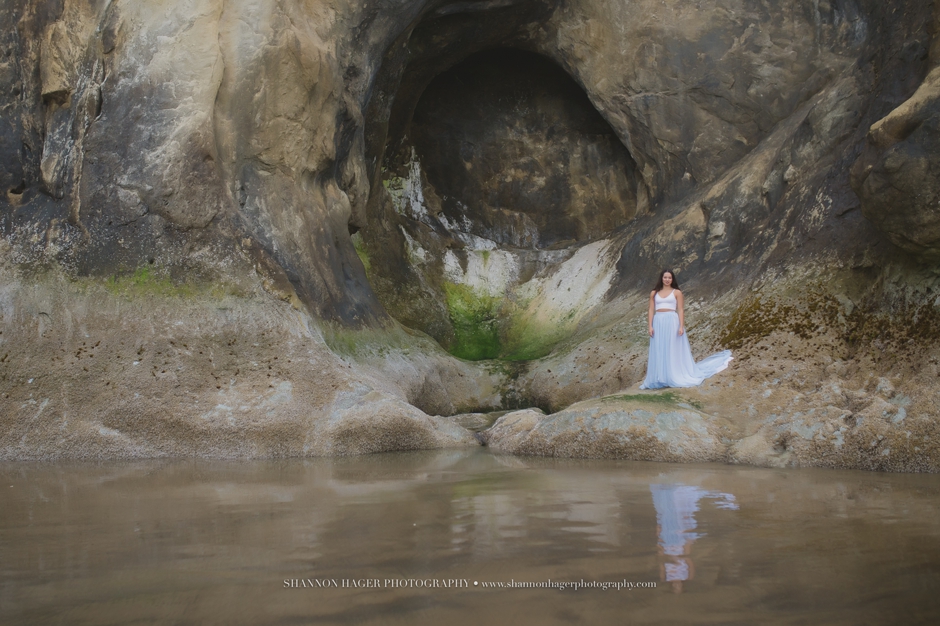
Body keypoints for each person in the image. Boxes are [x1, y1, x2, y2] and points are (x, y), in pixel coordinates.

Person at [640, 269, 732, 389]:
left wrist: (681, 326)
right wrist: (650, 326)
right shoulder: (654, 293)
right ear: (661, 278)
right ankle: (661, 376)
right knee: (659, 347)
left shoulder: (677, 292)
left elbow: (681, 309)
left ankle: (672, 375)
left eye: (669, 278)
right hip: (658, 321)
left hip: (672, 320)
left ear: (672, 279)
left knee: (671, 348)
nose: (667, 280)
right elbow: (651, 310)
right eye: (665, 277)